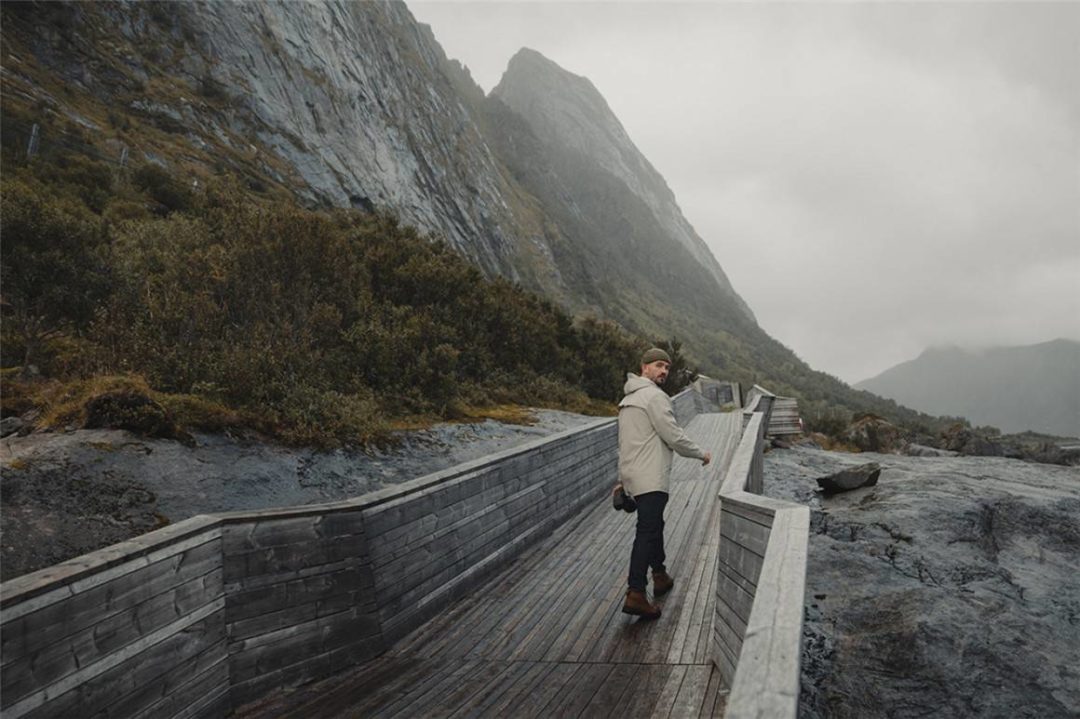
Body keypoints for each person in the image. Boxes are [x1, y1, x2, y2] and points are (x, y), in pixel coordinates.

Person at [617, 347, 711, 619]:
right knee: (647, 531)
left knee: (654, 525)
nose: (664, 371)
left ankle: (659, 575)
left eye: (667, 368)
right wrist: (700, 453)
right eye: (659, 366)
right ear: (644, 367)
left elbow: (624, 444)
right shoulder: (654, 397)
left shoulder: (628, 400)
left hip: (635, 476)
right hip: (652, 477)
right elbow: (673, 435)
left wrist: (621, 479)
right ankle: (636, 592)